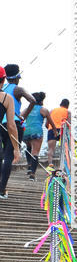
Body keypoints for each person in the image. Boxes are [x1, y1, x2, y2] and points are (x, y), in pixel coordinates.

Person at [1, 64, 35, 198]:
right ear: (18, 77)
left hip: (2, 123)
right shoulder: (17, 89)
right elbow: (32, 100)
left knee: (3, 155)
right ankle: (2, 189)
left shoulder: (2, 89)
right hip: (14, 124)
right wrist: (23, 116)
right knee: (9, 155)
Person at [23, 92, 57, 180]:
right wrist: (55, 131)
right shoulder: (44, 110)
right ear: (41, 101)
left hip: (26, 131)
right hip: (37, 132)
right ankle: (32, 175)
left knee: (28, 147)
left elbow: (20, 117)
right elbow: (51, 123)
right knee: (35, 152)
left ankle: (29, 165)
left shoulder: (27, 109)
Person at [0, 67, 21, 199]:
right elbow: (11, 125)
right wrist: (16, 148)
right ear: (3, 80)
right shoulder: (6, 98)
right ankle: (1, 190)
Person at [46, 99, 70, 166]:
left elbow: (46, 123)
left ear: (60, 104)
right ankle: (63, 165)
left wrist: (50, 128)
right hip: (62, 129)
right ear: (67, 105)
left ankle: (50, 163)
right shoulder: (68, 112)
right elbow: (69, 124)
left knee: (51, 149)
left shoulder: (52, 111)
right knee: (64, 148)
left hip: (52, 129)